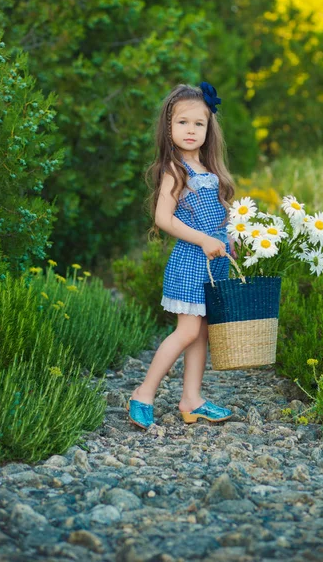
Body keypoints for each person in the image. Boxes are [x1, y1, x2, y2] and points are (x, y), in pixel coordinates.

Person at [127, 82, 237, 429]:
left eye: (198, 124)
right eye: (182, 123)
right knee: (187, 331)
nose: (191, 130)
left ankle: (192, 399)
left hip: (215, 264)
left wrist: (234, 237)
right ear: (169, 127)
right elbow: (163, 218)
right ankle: (143, 393)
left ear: (209, 129)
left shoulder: (211, 172)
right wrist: (204, 240)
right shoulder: (176, 171)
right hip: (191, 263)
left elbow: (220, 218)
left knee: (201, 333)